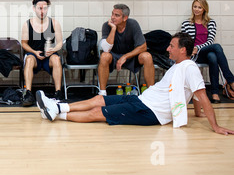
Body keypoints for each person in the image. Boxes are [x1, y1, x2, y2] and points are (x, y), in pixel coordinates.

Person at [36, 32, 234, 136]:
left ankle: (58, 114)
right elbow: (195, 94)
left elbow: (202, 95)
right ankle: (58, 106)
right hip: (141, 100)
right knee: (100, 99)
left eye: (172, 46)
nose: (167, 49)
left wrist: (214, 126)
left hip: (150, 112)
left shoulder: (189, 67)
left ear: (183, 50)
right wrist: (197, 113)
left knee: (98, 113)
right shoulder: (179, 66)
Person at [181, 0, 234, 103]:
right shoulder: (186, 24)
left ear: (204, 9)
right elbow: (184, 41)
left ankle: (215, 93)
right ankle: (231, 81)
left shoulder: (211, 23)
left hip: (204, 52)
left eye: (199, 7)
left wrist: (197, 48)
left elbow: (210, 41)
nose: (196, 9)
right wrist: (193, 50)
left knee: (213, 55)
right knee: (216, 48)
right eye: (195, 7)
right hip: (194, 55)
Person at [98, 4, 154, 95]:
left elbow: (143, 47)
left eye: (117, 15)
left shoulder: (133, 24)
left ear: (125, 18)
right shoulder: (107, 25)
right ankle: (103, 93)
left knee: (147, 56)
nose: (112, 17)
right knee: (104, 56)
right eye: (112, 14)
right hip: (113, 56)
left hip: (131, 56)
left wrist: (125, 56)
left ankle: (152, 92)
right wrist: (113, 29)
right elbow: (106, 48)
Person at [20, 0, 63, 106]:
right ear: (34, 9)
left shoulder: (54, 23)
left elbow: (60, 43)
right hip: (34, 55)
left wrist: (53, 50)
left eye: (45, 8)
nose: (42, 11)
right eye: (40, 8)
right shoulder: (27, 24)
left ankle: (58, 92)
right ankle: (28, 93)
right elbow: (24, 43)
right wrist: (34, 52)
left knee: (57, 59)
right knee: (29, 60)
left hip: (49, 55)